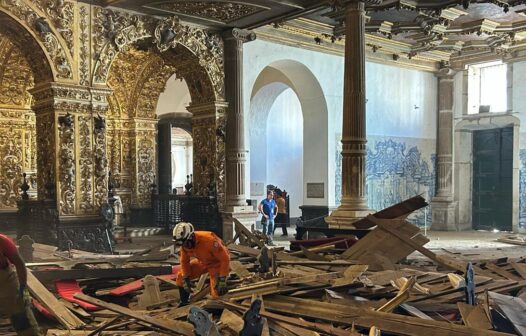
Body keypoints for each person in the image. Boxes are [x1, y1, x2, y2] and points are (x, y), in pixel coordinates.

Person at [172, 222, 230, 306]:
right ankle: (184, 302)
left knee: (216, 293)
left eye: (186, 243)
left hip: (217, 263)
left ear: (191, 237)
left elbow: (225, 259)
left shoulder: (209, 240)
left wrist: (222, 279)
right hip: (203, 261)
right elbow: (184, 262)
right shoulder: (184, 245)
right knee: (181, 276)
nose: (185, 246)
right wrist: (186, 278)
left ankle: (218, 310)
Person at [0, 234, 40, 336]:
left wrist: (22, 287)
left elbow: (19, 263)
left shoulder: (2, 241)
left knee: (21, 316)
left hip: (6, 281)